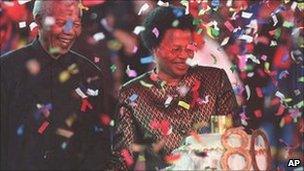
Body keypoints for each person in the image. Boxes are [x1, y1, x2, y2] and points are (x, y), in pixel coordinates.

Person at [113, 5, 240, 170]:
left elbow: (232, 139)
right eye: (175, 49)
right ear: (155, 49)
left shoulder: (216, 80)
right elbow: (123, 158)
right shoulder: (133, 94)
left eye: (188, 48)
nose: (184, 55)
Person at [0, 0, 111, 170]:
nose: (69, 31)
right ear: (38, 20)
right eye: (60, 23)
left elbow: (99, 142)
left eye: (75, 24)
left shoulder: (90, 74)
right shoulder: (7, 69)